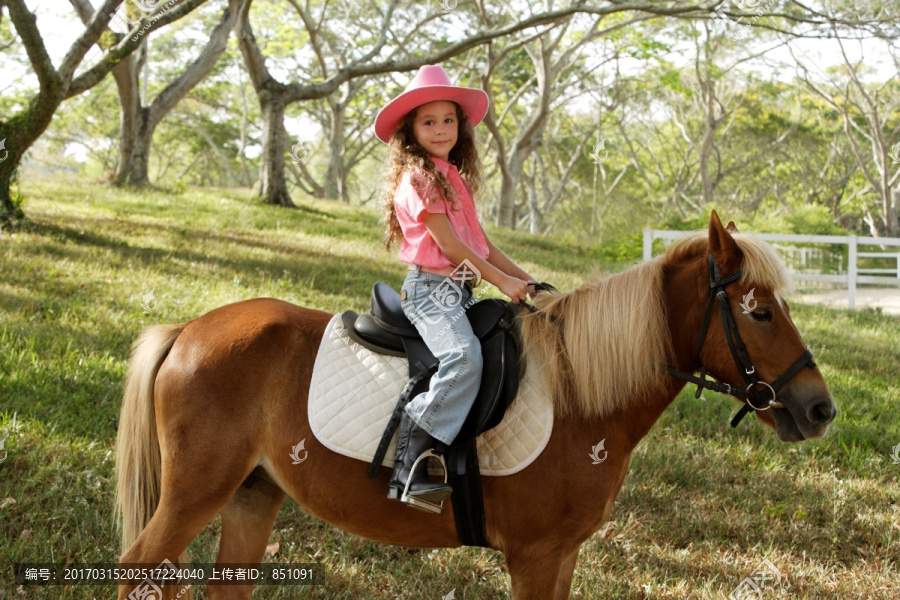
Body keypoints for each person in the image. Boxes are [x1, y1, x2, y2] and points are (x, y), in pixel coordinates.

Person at [375, 65, 536, 507]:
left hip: (459, 290)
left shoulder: (453, 179)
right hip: (430, 292)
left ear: (460, 127)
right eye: (429, 122)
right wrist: (502, 283)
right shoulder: (420, 178)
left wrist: (525, 280)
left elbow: (480, 246)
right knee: (463, 357)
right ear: (411, 129)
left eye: (448, 120)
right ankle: (411, 461)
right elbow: (448, 244)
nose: (440, 129)